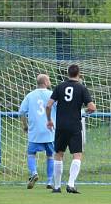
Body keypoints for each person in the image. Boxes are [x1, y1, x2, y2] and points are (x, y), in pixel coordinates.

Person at [46, 64, 96, 194]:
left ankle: (57, 187)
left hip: (61, 125)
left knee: (58, 154)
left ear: (67, 73)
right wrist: (84, 112)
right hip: (74, 125)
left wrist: (49, 120)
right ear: (79, 74)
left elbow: (49, 105)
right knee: (77, 154)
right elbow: (92, 107)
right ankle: (71, 184)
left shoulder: (59, 87)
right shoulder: (82, 88)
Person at [19, 74, 55, 189]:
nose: (49, 81)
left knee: (31, 154)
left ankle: (34, 172)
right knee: (50, 156)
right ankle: (49, 181)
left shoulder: (30, 95)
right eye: (48, 80)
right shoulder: (52, 94)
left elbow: (21, 112)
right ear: (45, 82)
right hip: (49, 131)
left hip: (35, 132)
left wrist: (25, 126)